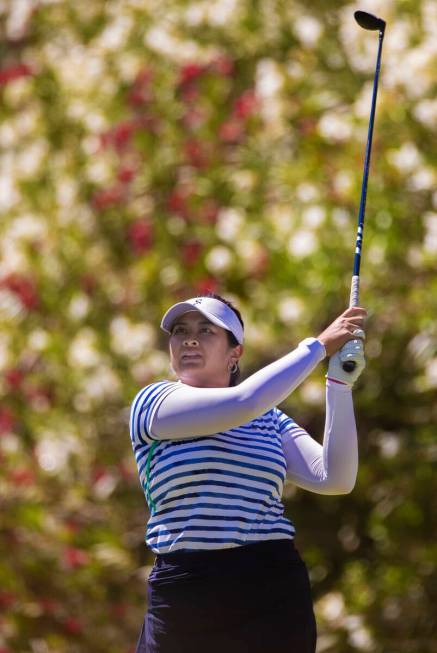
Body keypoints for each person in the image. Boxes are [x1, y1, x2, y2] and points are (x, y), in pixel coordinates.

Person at [129, 293, 366, 653]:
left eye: (206, 330)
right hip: (186, 590)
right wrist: (317, 347)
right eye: (180, 330)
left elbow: (334, 477)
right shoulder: (153, 403)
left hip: (270, 588)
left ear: (234, 352)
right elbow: (244, 402)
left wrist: (340, 386)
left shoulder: (268, 418)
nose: (189, 338)